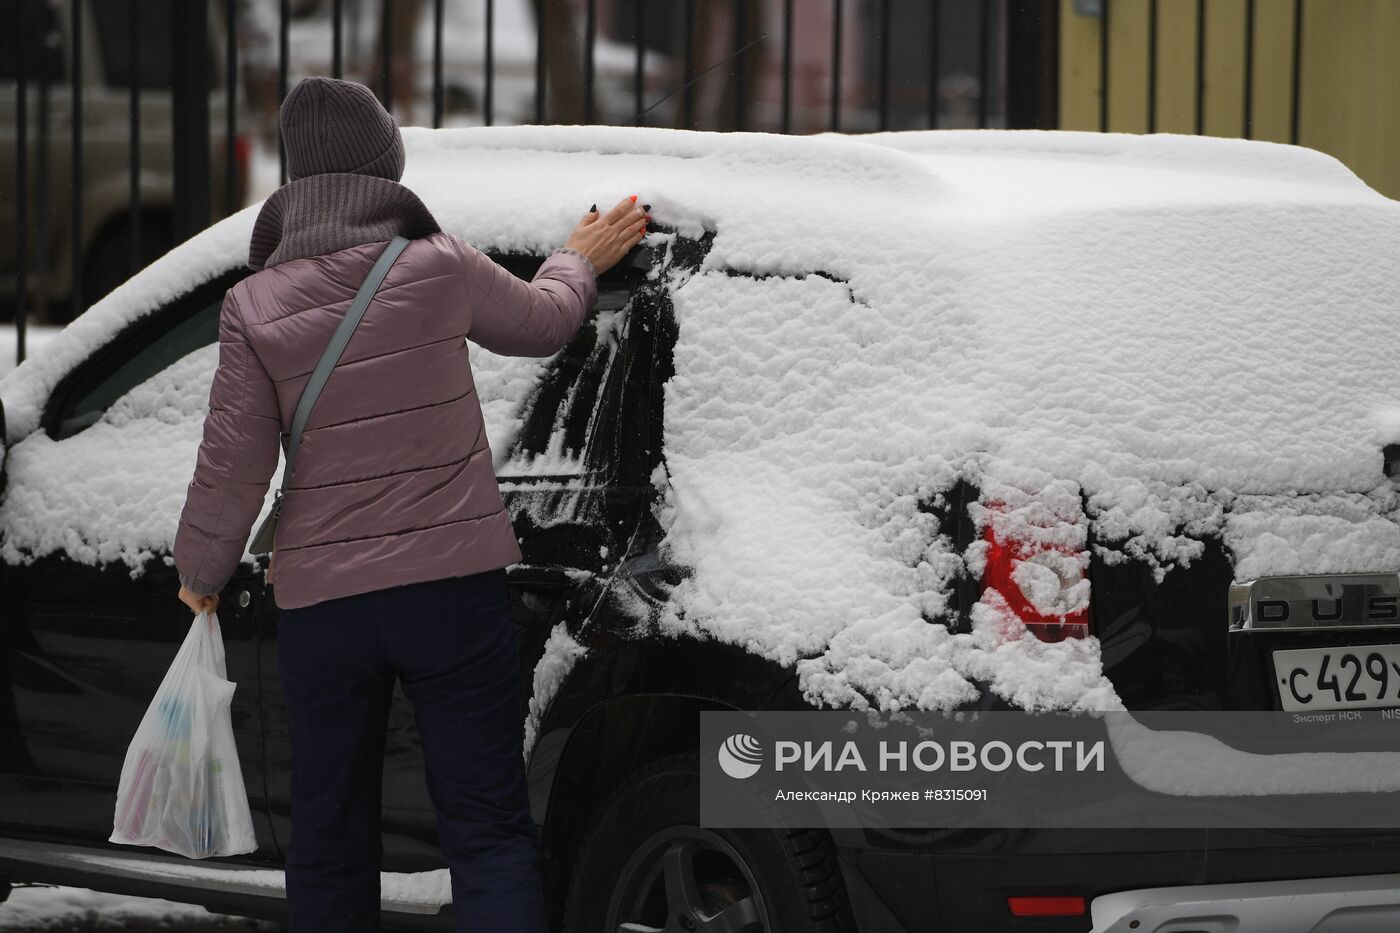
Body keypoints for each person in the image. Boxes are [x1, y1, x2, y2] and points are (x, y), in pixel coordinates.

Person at [171, 75, 648, 932]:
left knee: (327, 838)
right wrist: (578, 256)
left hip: (325, 610)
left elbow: (231, 462)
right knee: (489, 830)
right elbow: (544, 323)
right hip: (450, 595)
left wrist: (201, 570)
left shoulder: (254, 303)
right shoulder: (436, 263)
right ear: (383, 169)